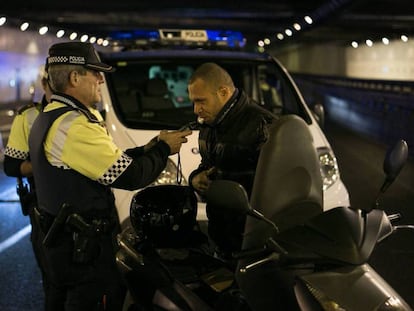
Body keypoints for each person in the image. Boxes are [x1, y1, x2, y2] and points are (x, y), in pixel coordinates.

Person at [28, 41, 192, 311]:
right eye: (95, 72)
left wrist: (147, 148)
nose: (101, 79)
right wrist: (163, 149)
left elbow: (106, 160)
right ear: (74, 77)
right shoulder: (75, 126)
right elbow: (130, 175)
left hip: (65, 245)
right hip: (84, 253)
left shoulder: (52, 116)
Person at [187, 62, 277, 257]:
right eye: (193, 102)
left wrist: (221, 182)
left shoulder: (263, 125)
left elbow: (275, 187)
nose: (196, 110)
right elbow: (209, 165)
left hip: (253, 243)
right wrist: (195, 178)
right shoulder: (210, 125)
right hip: (222, 238)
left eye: (201, 101)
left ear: (223, 92)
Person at [3, 65, 52, 297]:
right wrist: (46, 165)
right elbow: (12, 166)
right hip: (43, 207)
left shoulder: (88, 115)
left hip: (84, 204)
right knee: (53, 280)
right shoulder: (29, 116)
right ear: (44, 84)